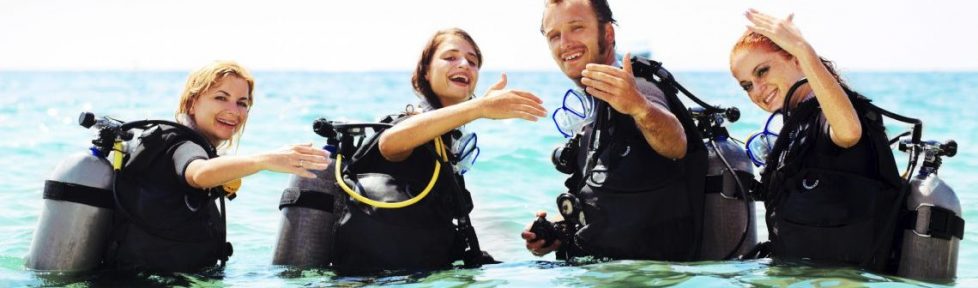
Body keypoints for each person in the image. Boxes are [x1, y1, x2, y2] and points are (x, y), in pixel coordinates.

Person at [323, 28, 547, 273]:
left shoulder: (447, 141)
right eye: (450, 57)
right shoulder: (410, 122)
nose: (464, 64)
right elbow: (389, 143)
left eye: (472, 62)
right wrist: (480, 107)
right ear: (426, 72)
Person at [522, 0, 709, 261]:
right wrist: (557, 231)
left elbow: (677, 144)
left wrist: (640, 107)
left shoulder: (640, 88)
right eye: (554, 35)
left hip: (645, 275)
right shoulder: (596, 106)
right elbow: (606, 203)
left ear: (607, 34)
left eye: (576, 28)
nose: (564, 43)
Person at [103, 60, 331, 272]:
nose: (234, 110)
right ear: (192, 104)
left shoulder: (180, 144)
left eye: (242, 103)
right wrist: (265, 160)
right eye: (221, 98)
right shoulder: (180, 144)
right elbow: (198, 174)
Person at [730, 9, 903, 271]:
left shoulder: (833, 115)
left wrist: (803, 49)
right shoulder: (798, 126)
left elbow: (848, 132)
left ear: (795, 61)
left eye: (762, 71)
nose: (756, 89)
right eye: (747, 85)